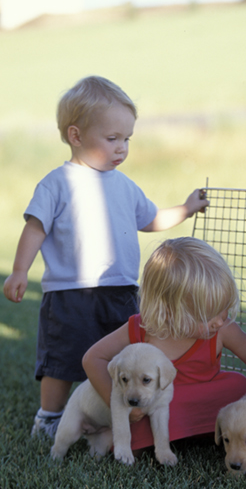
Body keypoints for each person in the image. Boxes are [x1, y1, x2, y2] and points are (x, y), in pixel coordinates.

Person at [3, 76, 209, 439]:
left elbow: (151, 219)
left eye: (127, 139)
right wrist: (20, 271)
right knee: (62, 360)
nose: (122, 148)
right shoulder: (57, 183)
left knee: (124, 360)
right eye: (112, 139)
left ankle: (117, 418)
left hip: (121, 291)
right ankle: (49, 417)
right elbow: (35, 228)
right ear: (76, 136)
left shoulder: (125, 185)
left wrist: (186, 208)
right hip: (70, 293)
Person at [82, 237, 246, 453]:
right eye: (208, 315)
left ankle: (187, 432)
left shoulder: (223, 329)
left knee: (240, 386)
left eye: (224, 308)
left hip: (201, 398)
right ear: (168, 313)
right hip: (157, 406)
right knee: (155, 408)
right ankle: (156, 435)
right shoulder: (141, 329)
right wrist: (118, 405)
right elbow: (93, 359)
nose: (221, 320)